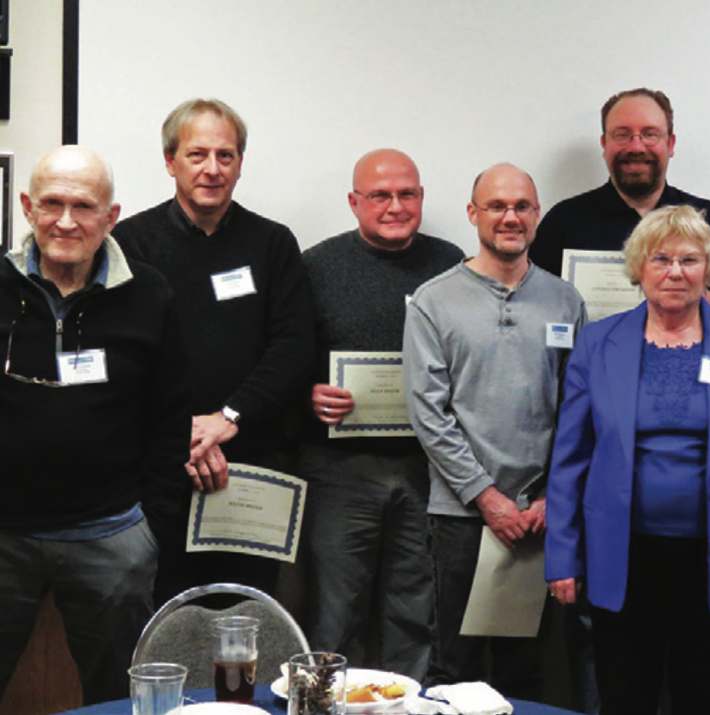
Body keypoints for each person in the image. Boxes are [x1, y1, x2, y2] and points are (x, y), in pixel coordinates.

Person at [544, 204, 710, 715]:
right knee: (624, 696)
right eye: (661, 259)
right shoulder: (599, 342)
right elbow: (570, 458)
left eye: (689, 259)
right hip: (622, 555)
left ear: (709, 269)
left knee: (703, 696)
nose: (675, 272)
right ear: (639, 268)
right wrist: (562, 557)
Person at [0, 146, 190, 702]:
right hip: (3, 536)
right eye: (52, 204)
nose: (64, 221)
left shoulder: (150, 295)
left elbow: (170, 415)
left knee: (116, 698)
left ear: (111, 216)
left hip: (111, 537)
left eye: (82, 206)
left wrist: (151, 525)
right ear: (27, 207)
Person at [113, 98, 315, 604]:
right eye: (197, 154)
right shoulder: (129, 244)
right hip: (162, 470)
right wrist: (185, 433)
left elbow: (294, 346)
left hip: (251, 468)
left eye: (225, 156)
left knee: (246, 623)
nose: (211, 168)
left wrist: (229, 416)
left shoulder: (272, 243)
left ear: (240, 164)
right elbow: (125, 359)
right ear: (169, 161)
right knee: (163, 618)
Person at [405, 163, 586, 696]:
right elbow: (427, 410)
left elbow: (578, 408)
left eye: (522, 207)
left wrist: (553, 495)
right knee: (453, 668)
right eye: (497, 207)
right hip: (462, 516)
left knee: (527, 671)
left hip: (540, 516)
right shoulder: (433, 301)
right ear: (473, 214)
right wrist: (486, 498)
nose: (510, 217)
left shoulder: (565, 301)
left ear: (536, 215)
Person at [300, 149, 463, 678]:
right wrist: (308, 393)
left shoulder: (451, 264)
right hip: (339, 472)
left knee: (416, 616)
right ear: (354, 202)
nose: (395, 206)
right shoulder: (316, 266)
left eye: (407, 194)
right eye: (380, 195)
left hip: (427, 470)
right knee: (334, 615)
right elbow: (283, 354)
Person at [530, 87, 710, 331]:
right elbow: (529, 310)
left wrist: (692, 297)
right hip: (590, 367)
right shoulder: (564, 221)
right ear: (604, 144)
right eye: (622, 135)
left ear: (670, 144)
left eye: (650, 134)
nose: (636, 147)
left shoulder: (707, 220)